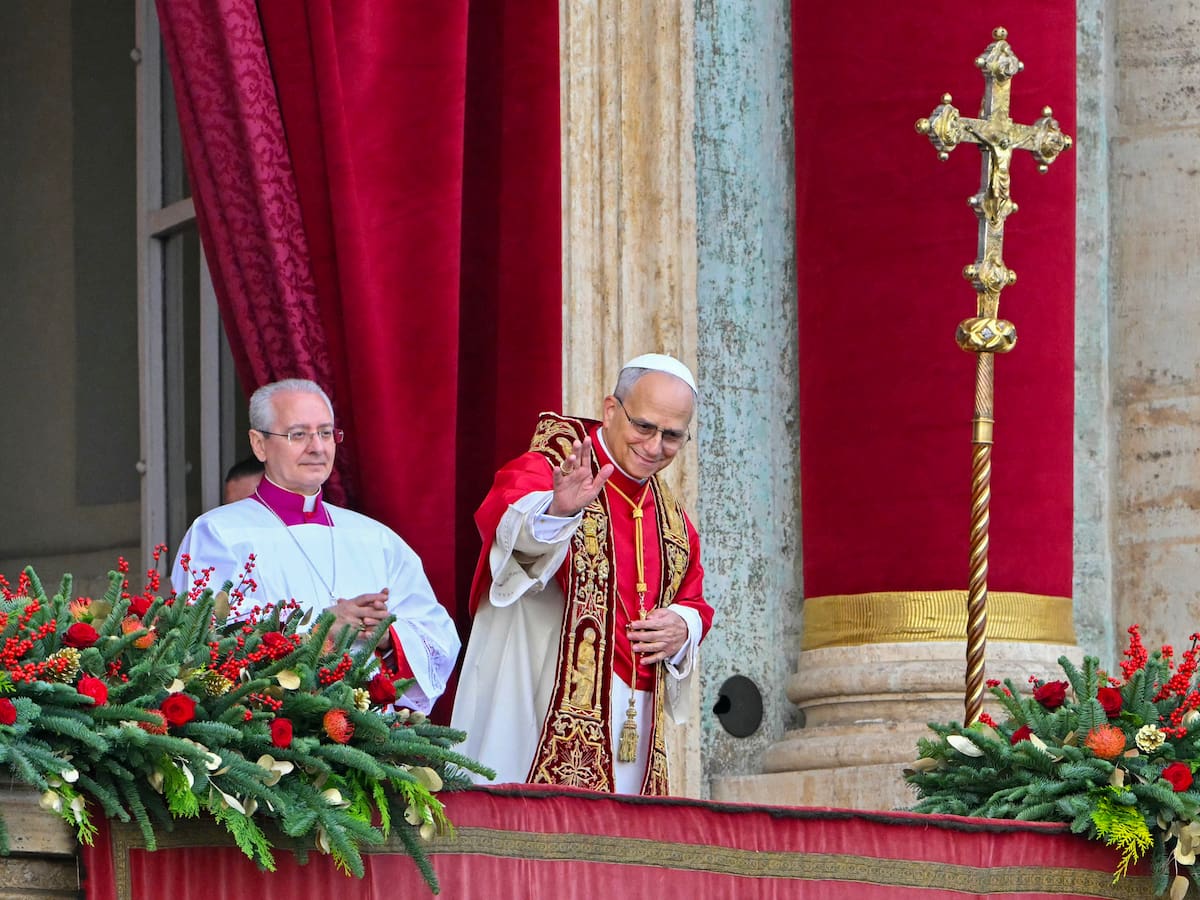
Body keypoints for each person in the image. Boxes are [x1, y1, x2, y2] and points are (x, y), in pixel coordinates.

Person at [451, 353, 714, 795]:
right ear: (611, 409)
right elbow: (507, 532)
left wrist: (682, 627)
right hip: (533, 703)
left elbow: (694, 600)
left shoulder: (673, 521)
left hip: (631, 723)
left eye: (672, 436)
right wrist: (557, 511)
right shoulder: (553, 464)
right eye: (644, 427)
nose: (654, 447)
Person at [172, 378, 458, 714]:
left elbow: (438, 636)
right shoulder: (218, 532)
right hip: (267, 737)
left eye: (325, 433)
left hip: (370, 740)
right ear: (259, 444)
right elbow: (204, 634)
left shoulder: (375, 538)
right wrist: (319, 628)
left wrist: (385, 636)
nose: (317, 447)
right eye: (298, 434)